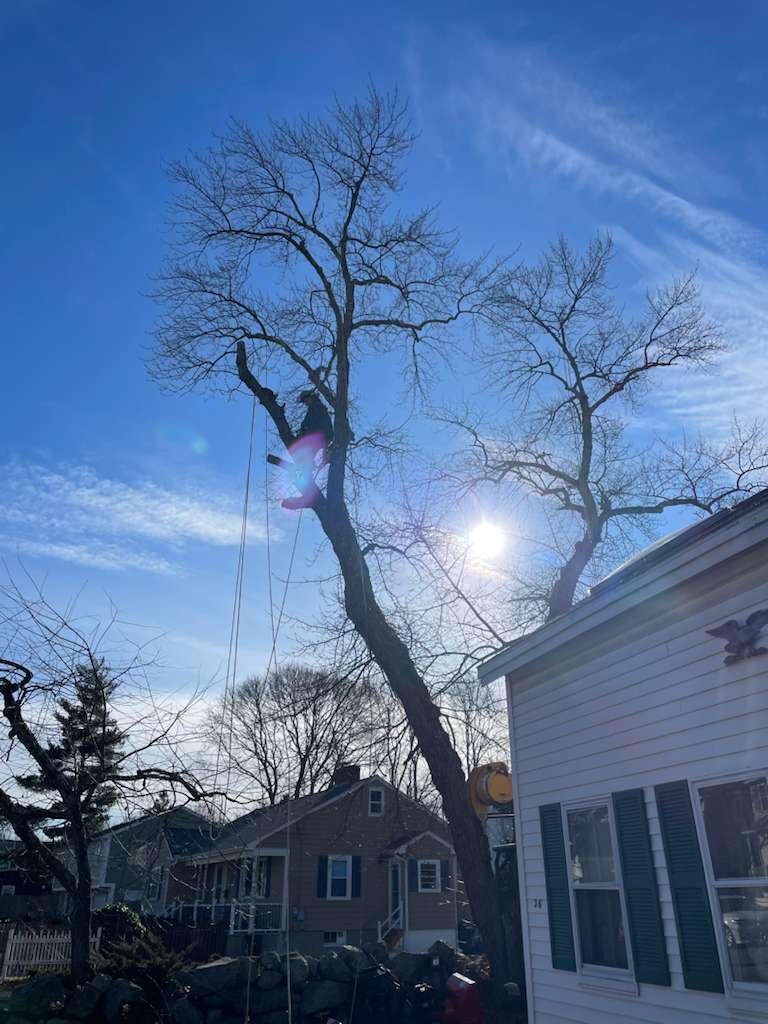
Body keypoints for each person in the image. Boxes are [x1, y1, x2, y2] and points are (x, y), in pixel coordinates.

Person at [279, 390, 333, 510]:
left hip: (320, 435)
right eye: (304, 402)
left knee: (305, 456)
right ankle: (308, 472)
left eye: (306, 400)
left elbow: (309, 423)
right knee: (306, 457)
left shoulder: (316, 407)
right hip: (321, 435)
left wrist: (303, 431)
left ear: (311, 397)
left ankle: (307, 471)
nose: (305, 403)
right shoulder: (316, 407)